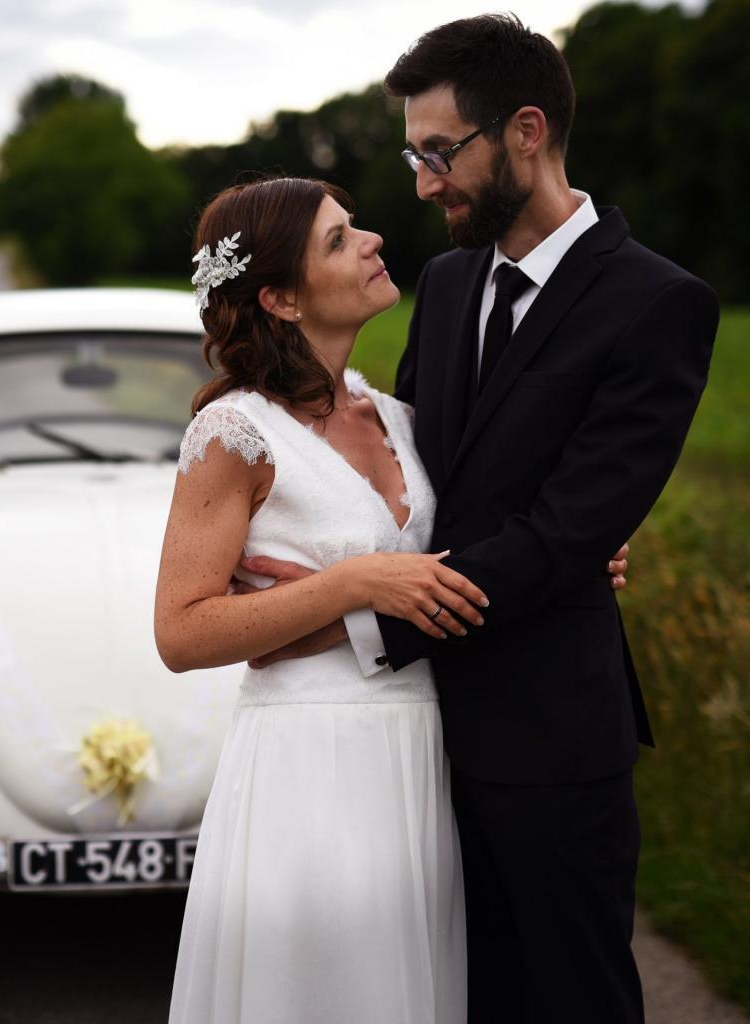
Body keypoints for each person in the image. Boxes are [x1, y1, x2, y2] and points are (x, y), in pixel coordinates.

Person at [240, 14, 719, 1024]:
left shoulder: (657, 304)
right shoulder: (448, 285)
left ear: (527, 132)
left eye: (438, 152)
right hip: (408, 748)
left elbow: (557, 535)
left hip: (548, 743)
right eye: (415, 155)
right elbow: (420, 482)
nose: (421, 182)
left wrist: (341, 618)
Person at [155, 177, 628, 1023]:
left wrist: (579, 556)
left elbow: (481, 548)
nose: (373, 240)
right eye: (339, 240)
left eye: (355, 227)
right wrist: (353, 582)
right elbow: (182, 631)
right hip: (309, 762)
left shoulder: (403, 419)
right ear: (280, 298)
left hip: (423, 753)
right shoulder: (234, 434)